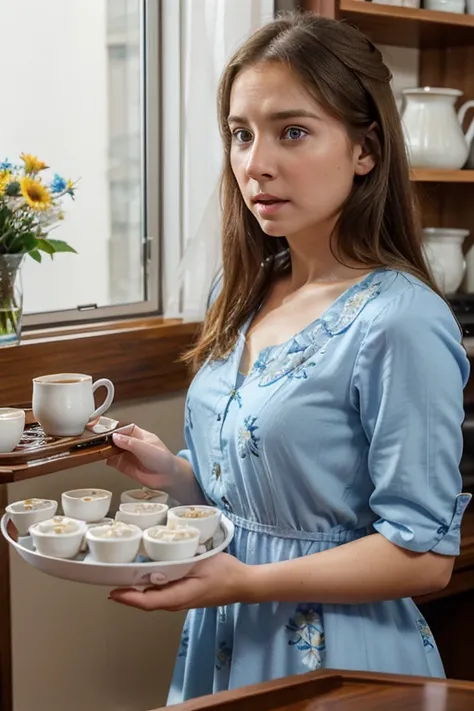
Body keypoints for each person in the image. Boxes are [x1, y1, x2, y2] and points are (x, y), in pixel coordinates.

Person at [106, 11, 472, 704]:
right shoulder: (240, 288)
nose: (256, 163)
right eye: (241, 134)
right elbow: (261, 497)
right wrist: (177, 474)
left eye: (292, 132)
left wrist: (244, 581)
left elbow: (424, 557)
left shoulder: (399, 319)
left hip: (342, 657)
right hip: (226, 635)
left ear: (364, 150)